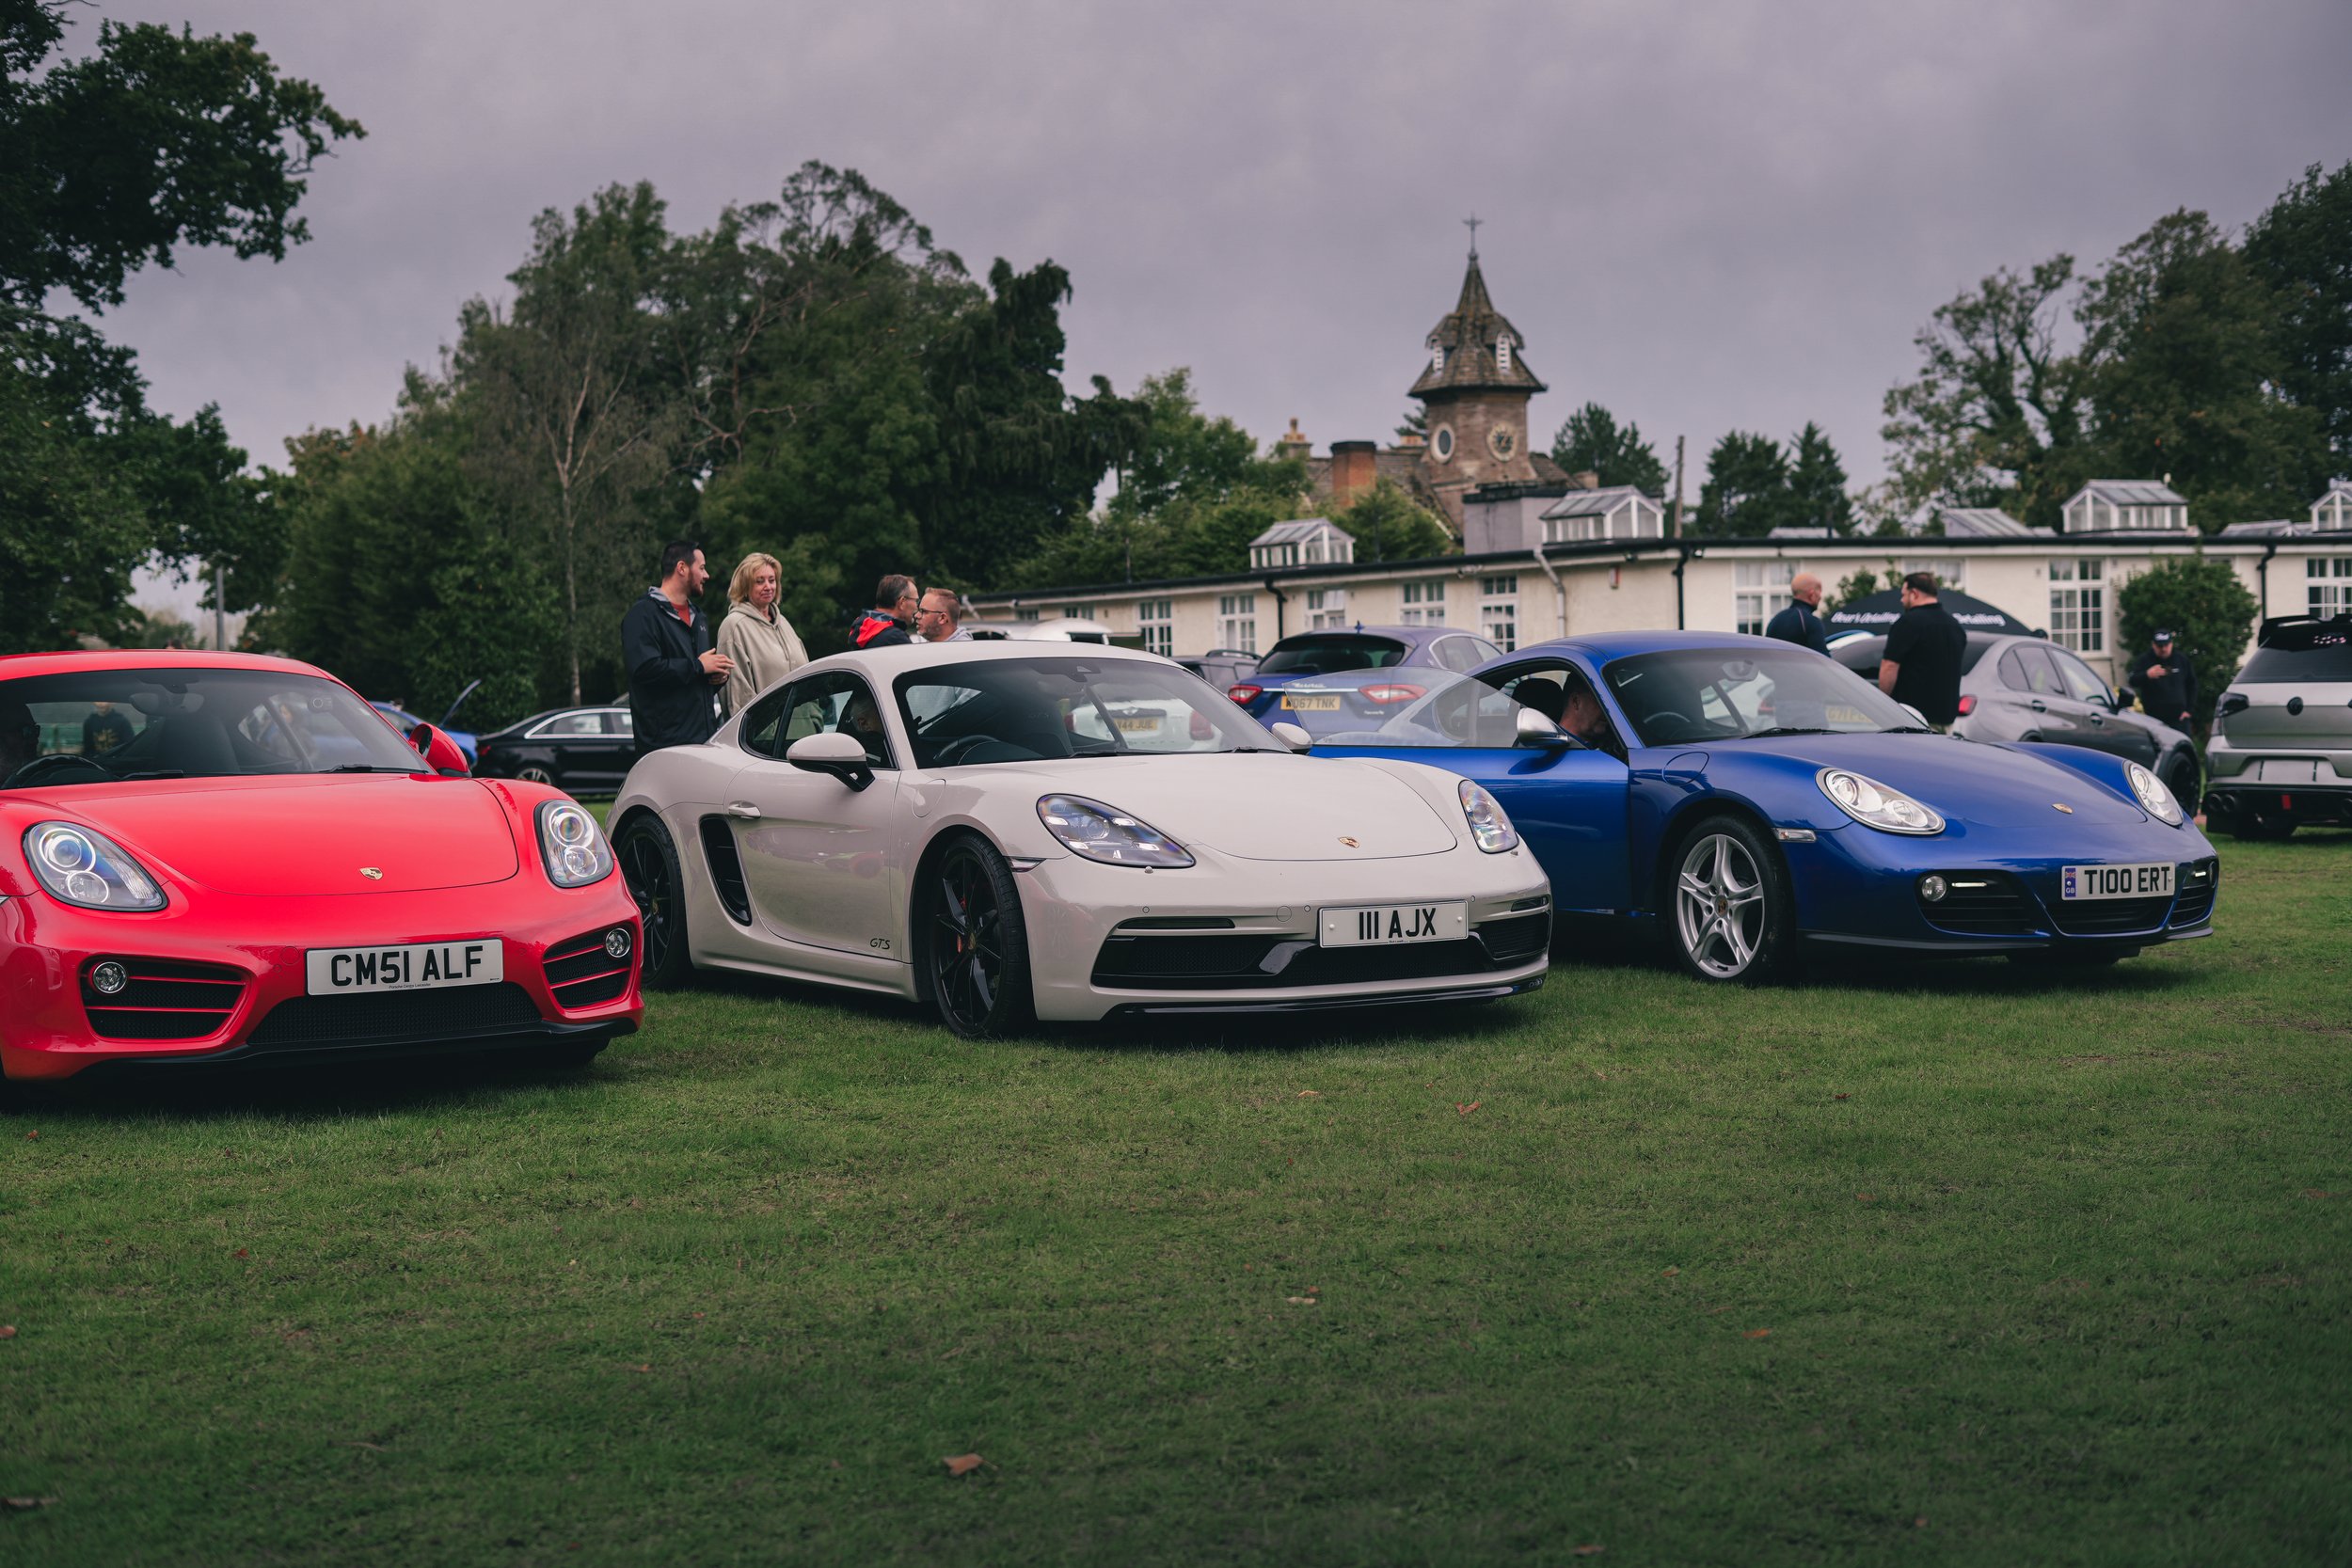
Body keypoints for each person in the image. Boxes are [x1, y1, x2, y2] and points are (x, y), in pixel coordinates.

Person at [624, 541, 732, 755]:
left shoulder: (699, 617)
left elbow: (691, 681)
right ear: (682, 568)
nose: (707, 575)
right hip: (665, 748)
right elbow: (645, 670)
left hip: (703, 743)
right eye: (701, 568)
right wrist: (699, 667)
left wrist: (714, 679)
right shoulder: (643, 615)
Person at [717, 552, 809, 717]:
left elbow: (807, 674)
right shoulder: (734, 626)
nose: (768, 586)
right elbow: (737, 696)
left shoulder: (784, 624)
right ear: (744, 587)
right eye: (759, 582)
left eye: (772, 580)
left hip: (804, 732)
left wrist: (813, 717)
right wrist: (757, 735)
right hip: (766, 739)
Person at [1877, 571, 1966, 728]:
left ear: (1914, 593)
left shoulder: (1908, 623)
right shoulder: (1955, 626)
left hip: (1912, 718)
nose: (1902, 600)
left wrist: (1882, 703)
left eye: (1904, 595)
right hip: (1946, 719)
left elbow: (1889, 666)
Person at [2131, 628, 2197, 731]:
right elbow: (2132, 680)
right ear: (2153, 645)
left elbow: (2192, 685)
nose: (2163, 649)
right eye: (2159, 646)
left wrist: (2189, 710)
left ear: (2171, 644)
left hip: (2179, 718)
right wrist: (2147, 675)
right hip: (2154, 719)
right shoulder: (2145, 660)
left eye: (2166, 645)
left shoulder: (2181, 660)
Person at [1764, 573, 1829, 654]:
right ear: (1812, 594)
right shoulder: (1810, 622)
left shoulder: (1775, 621)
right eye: (1819, 593)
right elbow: (1822, 658)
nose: (1820, 597)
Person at [850, 576, 918, 650]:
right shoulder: (896, 639)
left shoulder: (860, 630)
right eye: (916, 601)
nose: (917, 607)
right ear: (902, 602)